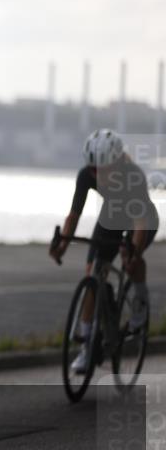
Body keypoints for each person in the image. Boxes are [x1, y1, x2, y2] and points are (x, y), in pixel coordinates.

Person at [50, 129, 159, 374]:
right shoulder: (86, 175)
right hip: (111, 216)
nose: (99, 176)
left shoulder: (134, 176)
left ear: (118, 162)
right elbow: (74, 214)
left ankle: (139, 302)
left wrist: (133, 252)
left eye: (105, 170)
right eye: (94, 170)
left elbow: (140, 223)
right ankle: (87, 346)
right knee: (92, 272)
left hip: (141, 218)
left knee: (131, 260)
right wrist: (62, 245)